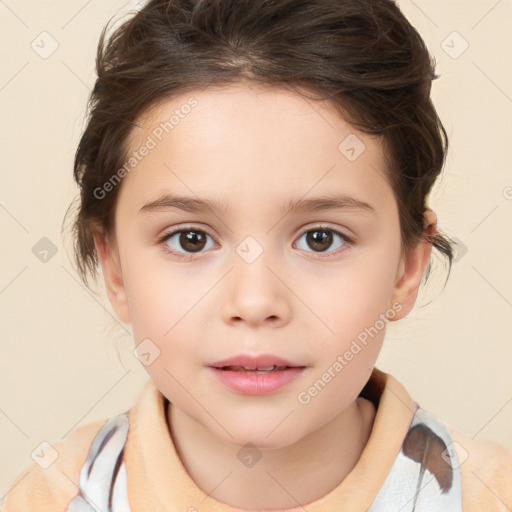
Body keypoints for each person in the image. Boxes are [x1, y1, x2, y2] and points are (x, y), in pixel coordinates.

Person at [2, 0, 511, 510]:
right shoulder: (51, 498)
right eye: (191, 239)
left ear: (407, 266)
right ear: (114, 268)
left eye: (320, 238)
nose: (254, 301)